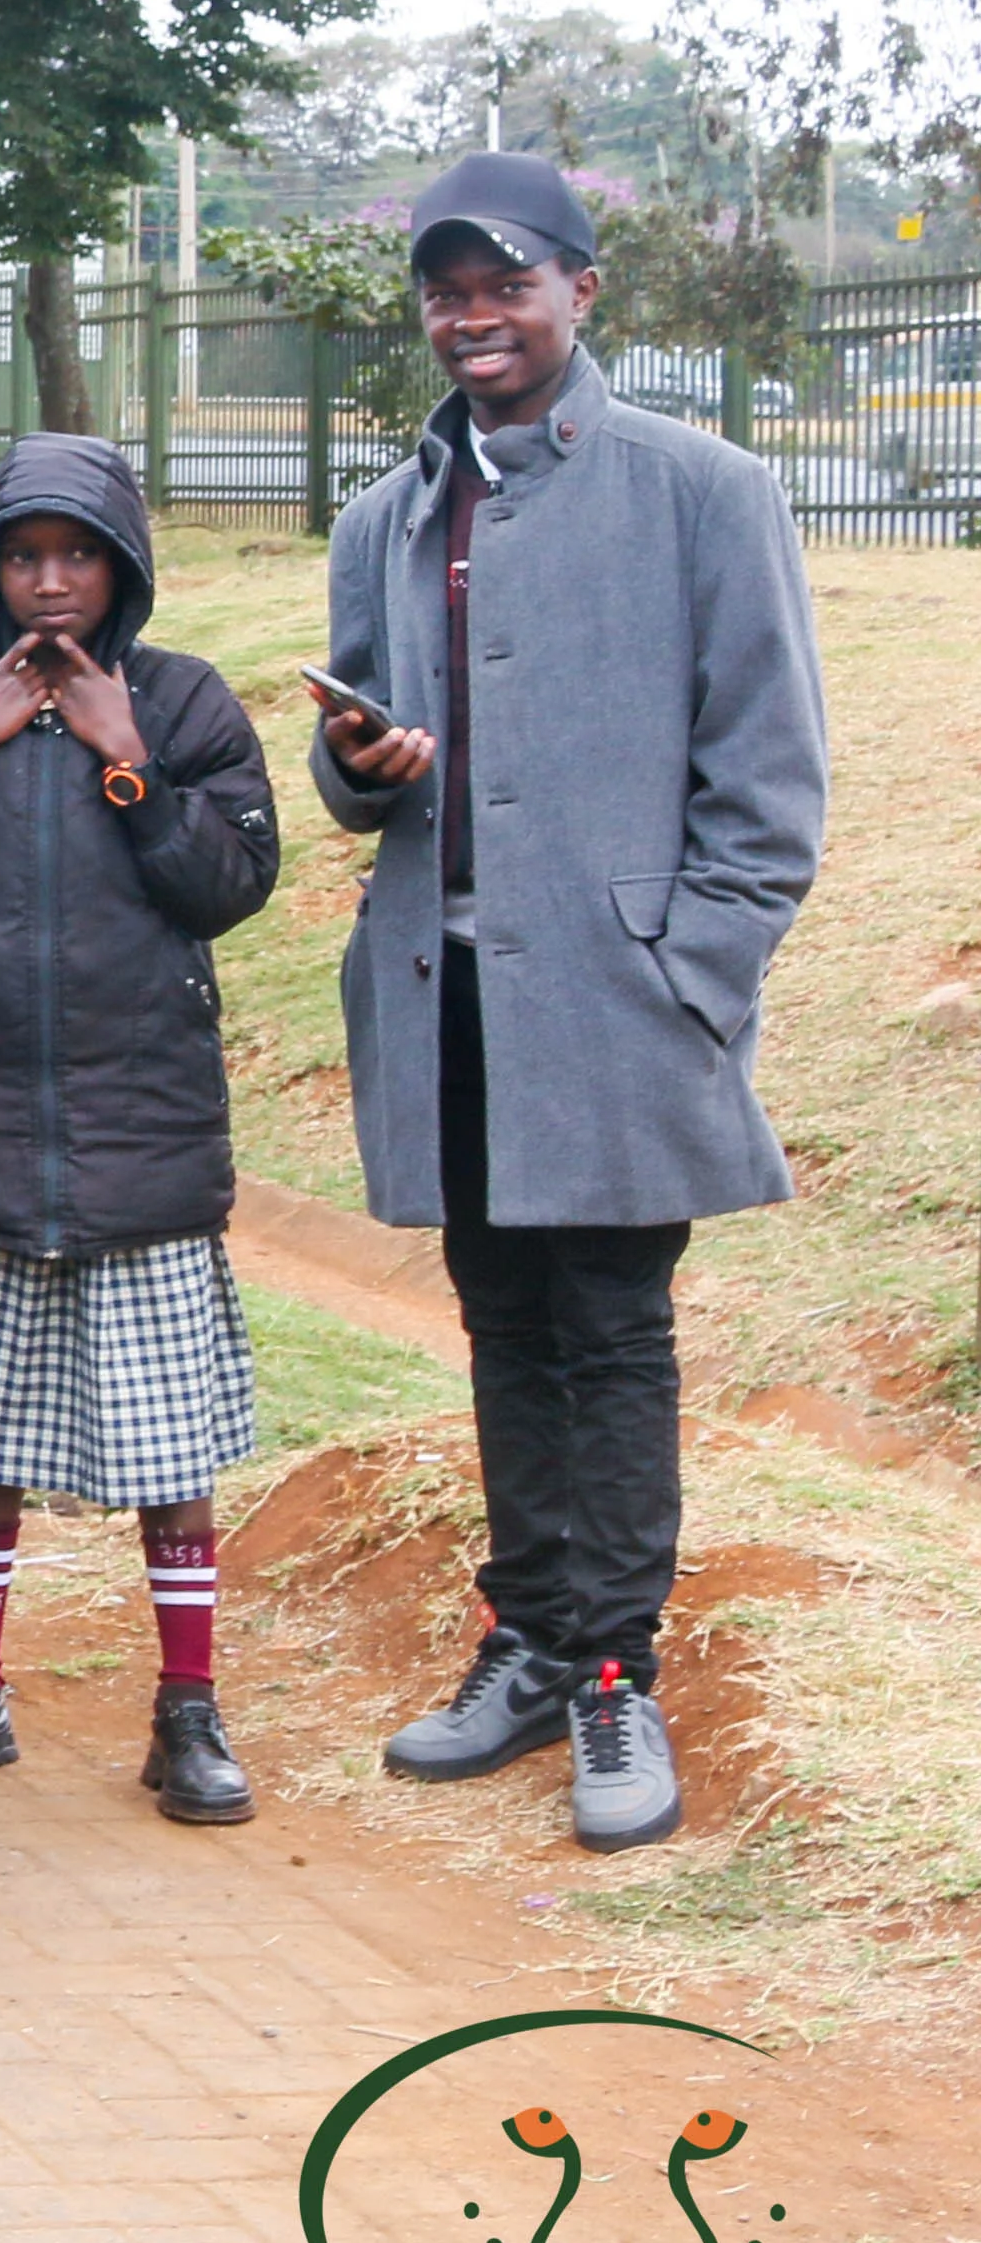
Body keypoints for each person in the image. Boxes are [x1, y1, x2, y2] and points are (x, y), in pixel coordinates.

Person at [314, 156, 827, 1855]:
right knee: (500, 1323)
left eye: (503, 282)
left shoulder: (701, 489)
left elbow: (764, 784)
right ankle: (524, 1640)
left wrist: (688, 975)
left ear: (578, 292)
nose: (470, 315)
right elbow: (357, 784)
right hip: (440, 992)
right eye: (443, 289)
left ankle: (611, 1669)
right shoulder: (383, 514)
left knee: (607, 1335)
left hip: (614, 1001)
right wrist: (351, 759)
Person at [0, 440, 285, 1827]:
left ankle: (189, 1707)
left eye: (77, 555)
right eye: (23, 556)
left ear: (123, 569)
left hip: (141, 1136)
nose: (49, 583)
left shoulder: (186, 702)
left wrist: (130, 759)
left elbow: (229, 885)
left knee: (169, 1457)